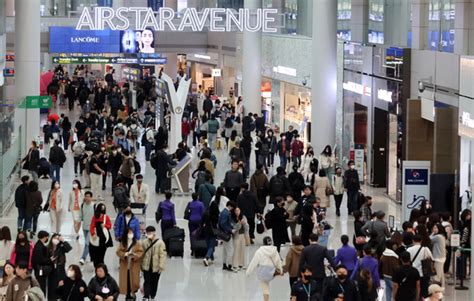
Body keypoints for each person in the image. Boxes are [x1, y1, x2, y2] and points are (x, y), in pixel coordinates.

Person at [246, 236, 283, 301]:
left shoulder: (260, 251)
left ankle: (266, 299)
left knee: (264, 285)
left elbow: (254, 262)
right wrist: (281, 270)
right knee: (267, 283)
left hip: (262, 272)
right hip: (271, 272)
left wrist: (248, 272)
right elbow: (278, 261)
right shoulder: (274, 250)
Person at [116, 228, 144, 299]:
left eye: (132, 232)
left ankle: (133, 292)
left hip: (134, 264)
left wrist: (135, 255)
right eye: (129, 233)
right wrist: (125, 254)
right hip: (125, 264)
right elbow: (118, 252)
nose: (130, 234)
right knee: (126, 280)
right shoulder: (123, 243)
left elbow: (140, 252)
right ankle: (127, 294)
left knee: (134, 280)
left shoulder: (137, 243)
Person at [140, 226, 166, 301]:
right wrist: (141, 265)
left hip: (156, 267)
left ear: (154, 232)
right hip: (146, 266)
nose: (149, 234)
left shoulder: (160, 243)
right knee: (147, 281)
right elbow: (142, 254)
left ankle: (153, 295)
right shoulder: (144, 242)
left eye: (150, 233)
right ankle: (146, 296)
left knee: (155, 282)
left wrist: (161, 266)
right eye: (147, 233)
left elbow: (162, 255)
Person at [47, 234, 72, 300]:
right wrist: (49, 260)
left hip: (60, 271)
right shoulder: (47, 248)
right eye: (55, 238)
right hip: (51, 271)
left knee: (61, 288)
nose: (56, 239)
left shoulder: (61, 248)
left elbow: (69, 248)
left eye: (58, 238)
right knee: (52, 290)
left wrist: (63, 241)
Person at [89, 203, 113, 268]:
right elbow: (92, 226)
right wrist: (93, 234)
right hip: (95, 238)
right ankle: (96, 267)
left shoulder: (106, 217)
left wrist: (104, 225)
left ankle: (101, 267)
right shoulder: (94, 217)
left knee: (101, 255)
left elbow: (110, 226)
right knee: (95, 254)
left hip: (103, 239)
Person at [218, 201, 236, 271]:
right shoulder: (226, 213)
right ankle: (229, 265)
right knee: (230, 250)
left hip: (222, 234)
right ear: (230, 206)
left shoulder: (223, 211)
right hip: (226, 234)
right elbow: (223, 223)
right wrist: (230, 230)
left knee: (225, 250)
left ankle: (224, 264)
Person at [230, 207, 249, 272]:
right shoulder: (232, 218)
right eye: (236, 211)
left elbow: (247, 227)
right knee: (236, 250)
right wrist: (239, 224)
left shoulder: (243, 217)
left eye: (238, 210)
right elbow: (234, 228)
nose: (237, 212)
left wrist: (244, 224)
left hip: (243, 235)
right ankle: (235, 264)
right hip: (236, 236)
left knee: (242, 249)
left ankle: (241, 264)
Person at [201, 201, 219, 267]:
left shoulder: (206, 213)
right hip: (213, 231)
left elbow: (202, 221)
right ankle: (207, 258)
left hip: (206, 230)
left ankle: (212, 258)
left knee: (208, 245)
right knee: (212, 246)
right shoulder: (216, 214)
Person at [79, 191, 95, 265]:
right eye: (86, 196)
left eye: (89, 196)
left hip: (91, 228)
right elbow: (80, 216)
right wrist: (77, 223)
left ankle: (83, 258)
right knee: (89, 243)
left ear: (91, 198)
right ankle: (92, 256)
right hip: (84, 227)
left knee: (87, 243)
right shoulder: (82, 205)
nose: (87, 198)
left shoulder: (94, 206)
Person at [430, 223, 447, 287]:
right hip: (441, 257)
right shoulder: (442, 236)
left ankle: (437, 290)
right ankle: (442, 287)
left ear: (440, 229)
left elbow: (429, 239)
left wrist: (432, 233)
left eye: (436, 228)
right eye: (433, 228)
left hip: (438, 258)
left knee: (437, 276)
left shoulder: (438, 236)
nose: (434, 229)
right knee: (441, 274)